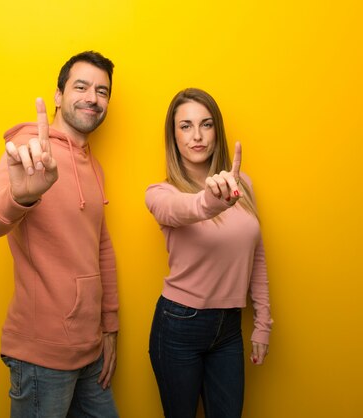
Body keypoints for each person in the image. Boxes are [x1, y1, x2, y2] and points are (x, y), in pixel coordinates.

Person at [0, 51, 119, 418]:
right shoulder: (29, 149)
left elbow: (100, 248)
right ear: (57, 96)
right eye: (81, 86)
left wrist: (110, 328)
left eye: (102, 91)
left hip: (90, 348)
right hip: (41, 356)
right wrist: (21, 195)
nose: (92, 98)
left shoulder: (93, 165)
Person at [145, 88, 273, 418]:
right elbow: (180, 210)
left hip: (229, 328)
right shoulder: (161, 192)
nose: (197, 136)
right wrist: (210, 202)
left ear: (218, 130)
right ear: (173, 136)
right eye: (185, 126)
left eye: (206, 124)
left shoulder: (242, 184)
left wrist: (263, 322)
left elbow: (256, 256)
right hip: (179, 326)